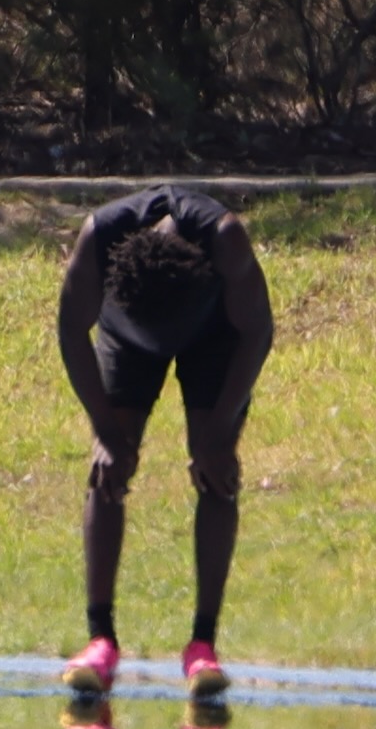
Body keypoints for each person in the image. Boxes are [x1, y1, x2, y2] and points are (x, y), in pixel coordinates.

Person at [57, 184, 273, 700]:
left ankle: (203, 644)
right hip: (125, 336)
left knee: (217, 470)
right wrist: (107, 433)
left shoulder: (225, 240)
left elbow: (258, 331)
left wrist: (219, 432)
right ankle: (100, 638)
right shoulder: (100, 236)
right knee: (108, 466)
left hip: (214, 335)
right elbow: (71, 331)